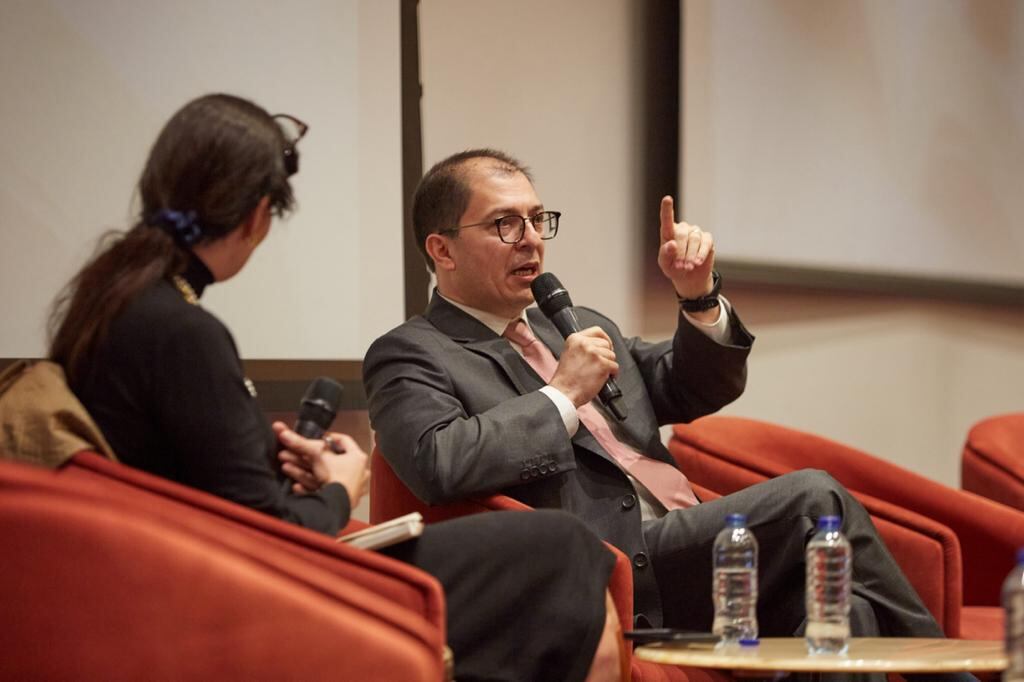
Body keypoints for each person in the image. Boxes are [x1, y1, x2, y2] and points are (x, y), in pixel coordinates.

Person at [48, 96, 622, 682]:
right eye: (505, 223)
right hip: (249, 587)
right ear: (258, 215)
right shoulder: (184, 331)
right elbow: (269, 534)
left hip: (182, 572)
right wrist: (339, 489)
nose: (530, 238)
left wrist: (276, 465)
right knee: (563, 547)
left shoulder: (112, 304)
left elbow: (191, 474)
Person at [363, 149, 973, 678]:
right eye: (504, 223)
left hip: (701, 547)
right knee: (817, 496)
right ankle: (957, 676)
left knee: (845, 611)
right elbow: (438, 461)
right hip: (618, 564)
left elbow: (689, 387)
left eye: (537, 218)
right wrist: (562, 396)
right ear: (442, 249)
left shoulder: (575, 323)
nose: (531, 239)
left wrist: (699, 297)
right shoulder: (412, 353)